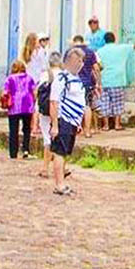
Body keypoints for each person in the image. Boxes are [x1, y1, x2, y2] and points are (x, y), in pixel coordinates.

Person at [49, 48, 86, 196]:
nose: (81, 64)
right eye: (79, 61)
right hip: (63, 119)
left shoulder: (76, 78)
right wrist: (55, 125)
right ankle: (59, 184)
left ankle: (61, 182)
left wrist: (78, 123)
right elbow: (54, 102)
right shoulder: (61, 78)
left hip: (72, 121)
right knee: (60, 152)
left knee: (65, 153)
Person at [96, 32, 135, 131]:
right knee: (118, 103)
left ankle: (105, 126)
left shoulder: (100, 51)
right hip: (117, 80)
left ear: (104, 40)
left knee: (105, 103)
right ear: (114, 39)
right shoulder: (121, 48)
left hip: (104, 80)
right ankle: (117, 124)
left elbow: (97, 65)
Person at [37, 52, 68, 180]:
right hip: (61, 110)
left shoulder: (45, 74)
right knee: (61, 139)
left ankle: (45, 168)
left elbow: (38, 92)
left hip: (46, 110)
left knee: (47, 139)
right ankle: (63, 167)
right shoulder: (65, 75)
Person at [3, 60, 36, 160]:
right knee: (26, 129)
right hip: (27, 105)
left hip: (14, 106)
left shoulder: (10, 79)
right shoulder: (29, 78)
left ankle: (13, 153)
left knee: (13, 130)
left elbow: (5, 92)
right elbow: (34, 92)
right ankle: (26, 150)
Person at [72, 34, 99, 137]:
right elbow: (96, 68)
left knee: (74, 106)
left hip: (73, 83)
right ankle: (87, 131)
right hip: (87, 82)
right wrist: (98, 83)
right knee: (87, 106)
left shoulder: (70, 53)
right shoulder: (90, 52)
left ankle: (76, 130)